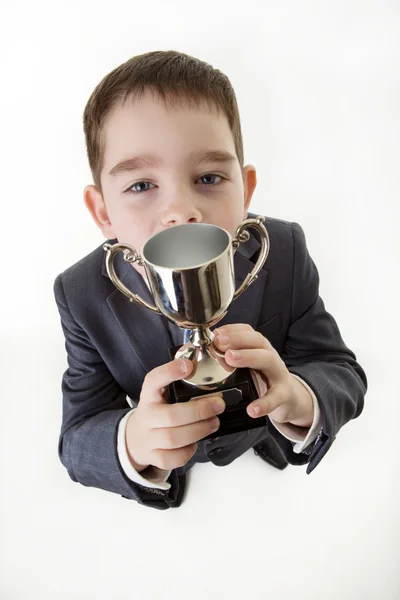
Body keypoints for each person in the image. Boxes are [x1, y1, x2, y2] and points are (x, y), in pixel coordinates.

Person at [53, 50, 367, 510]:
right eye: (141, 185)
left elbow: (339, 369)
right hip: (177, 478)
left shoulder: (282, 249)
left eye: (209, 176)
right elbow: (77, 435)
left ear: (246, 191)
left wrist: (298, 400)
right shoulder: (81, 293)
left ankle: (262, 436)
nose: (181, 211)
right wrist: (137, 444)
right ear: (103, 212)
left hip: (269, 449)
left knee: (273, 429)